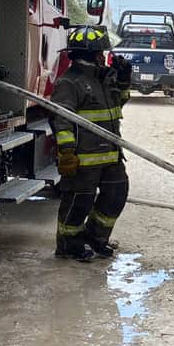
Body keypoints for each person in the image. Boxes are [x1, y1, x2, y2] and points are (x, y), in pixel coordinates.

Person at [50, 25, 132, 261]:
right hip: (84, 158)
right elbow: (61, 118)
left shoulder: (104, 79)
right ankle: (69, 245)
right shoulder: (70, 83)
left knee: (117, 192)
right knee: (78, 201)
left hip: (111, 154)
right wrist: (66, 152)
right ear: (93, 55)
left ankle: (96, 238)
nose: (104, 57)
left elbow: (118, 106)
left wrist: (124, 81)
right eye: (101, 53)